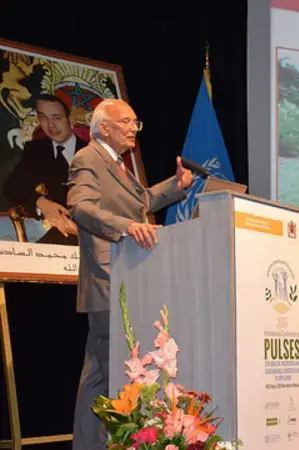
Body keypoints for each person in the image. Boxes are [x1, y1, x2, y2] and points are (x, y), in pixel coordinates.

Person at [67, 98, 193, 450]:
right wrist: (126, 227)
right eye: (127, 122)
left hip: (126, 278)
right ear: (104, 126)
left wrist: (175, 186)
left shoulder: (119, 165)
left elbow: (140, 202)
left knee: (99, 374)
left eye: (136, 122)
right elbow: (79, 207)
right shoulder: (88, 158)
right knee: (109, 374)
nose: (134, 128)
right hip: (106, 278)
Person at [3, 94, 85, 244]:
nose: (50, 125)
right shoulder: (36, 149)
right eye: (43, 117)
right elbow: (12, 187)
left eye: (56, 118)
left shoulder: (93, 153)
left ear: (70, 120)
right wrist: (40, 202)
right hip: (53, 234)